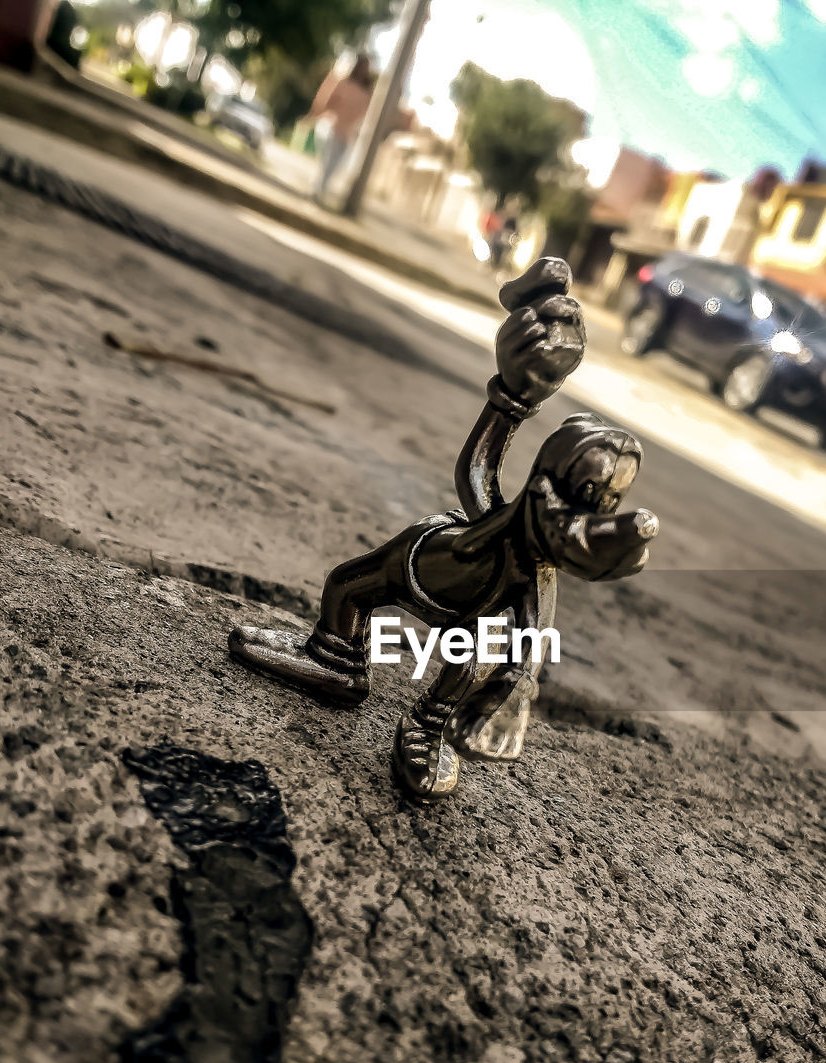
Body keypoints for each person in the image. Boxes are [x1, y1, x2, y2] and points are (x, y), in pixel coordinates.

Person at [228, 259, 659, 801]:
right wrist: (514, 394)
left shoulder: (534, 576)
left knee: (466, 664)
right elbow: (477, 469)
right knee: (345, 586)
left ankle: (429, 729)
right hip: (415, 559)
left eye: (600, 506)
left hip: (465, 615)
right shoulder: (504, 517)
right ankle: (337, 659)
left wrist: (513, 691)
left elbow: (529, 639)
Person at [300, 54, 374, 200]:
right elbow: (328, 102)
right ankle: (318, 189)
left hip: (347, 133)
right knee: (328, 159)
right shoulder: (344, 83)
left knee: (338, 163)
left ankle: (321, 187)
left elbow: (366, 112)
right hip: (332, 127)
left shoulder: (367, 91)